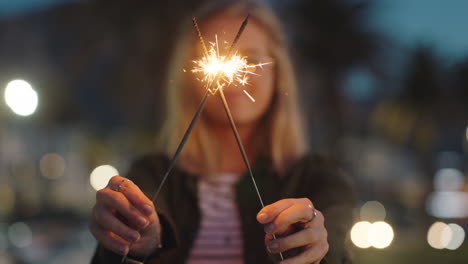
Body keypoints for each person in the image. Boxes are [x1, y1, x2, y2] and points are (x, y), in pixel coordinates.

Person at [89, 1, 356, 263]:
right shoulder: (151, 175)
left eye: (251, 58)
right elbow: (122, 246)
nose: (233, 72)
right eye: (213, 55)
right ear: (190, 77)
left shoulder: (320, 180)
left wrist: (317, 251)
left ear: (278, 74)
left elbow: (334, 246)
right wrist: (131, 245)